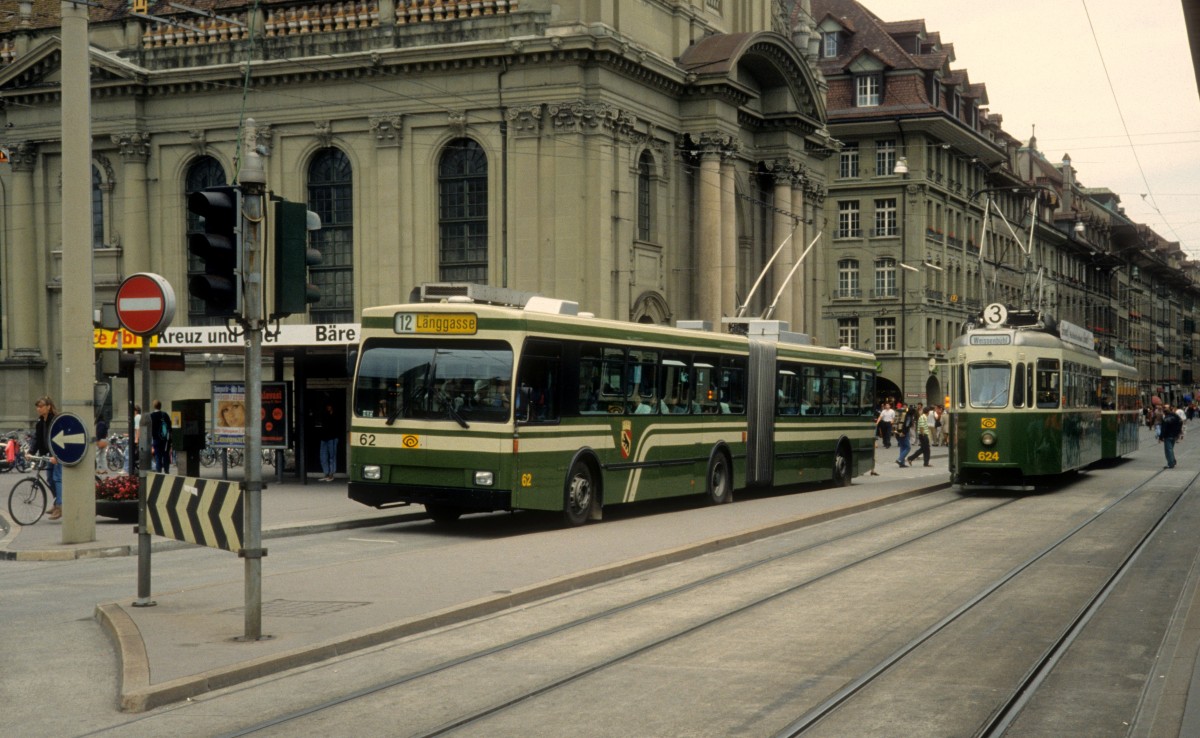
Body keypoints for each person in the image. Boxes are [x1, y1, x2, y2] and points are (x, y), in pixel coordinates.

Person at [32, 396, 63, 520]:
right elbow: (36, 438)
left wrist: (56, 454)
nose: (38, 409)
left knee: (57, 478)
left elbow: (59, 438)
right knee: (50, 478)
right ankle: (57, 502)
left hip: (58, 453)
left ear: (49, 407)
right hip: (49, 454)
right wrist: (30, 452)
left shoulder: (55, 420)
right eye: (37, 407)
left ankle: (60, 506)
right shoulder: (40, 422)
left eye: (41, 406)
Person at [315, 402, 341, 482]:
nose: (328, 407)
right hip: (325, 437)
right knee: (324, 456)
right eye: (327, 406)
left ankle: (331, 474)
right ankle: (326, 473)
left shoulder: (335, 415)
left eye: (329, 406)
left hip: (331, 437)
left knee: (331, 457)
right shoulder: (324, 414)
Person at [149, 400, 172, 474]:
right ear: (160, 406)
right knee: (165, 455)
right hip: (165, 439)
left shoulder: (151, 416)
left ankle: (158, 471)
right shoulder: (165, 414)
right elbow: (169, 427)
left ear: (154, 406)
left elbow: (150, 429)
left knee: (157, 456)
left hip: (156, 439)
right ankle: (166, 470)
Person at [908, 402, 931, 467]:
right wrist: (923, 435)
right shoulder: (922, 417)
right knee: (926, 449)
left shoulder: (924, 417)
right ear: (928, 412)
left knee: (924, 449)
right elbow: (921, 427)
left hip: (924, 434)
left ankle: (912, 458)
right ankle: (911, 458)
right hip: (923, 435)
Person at [1160, 403, 1183, 469]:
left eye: (1165, 408)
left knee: (1168, 450)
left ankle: (1170, 464)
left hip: (1168, 436)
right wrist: (1178, 432)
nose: (1165, 409)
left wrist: (1161, 437)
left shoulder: (1166, 418)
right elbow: (1180, 422)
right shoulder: (1175, 416)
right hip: (1174, 435)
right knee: (1170, 449)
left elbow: (1164, 428)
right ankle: (1173, 461)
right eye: (1164, 407)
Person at [895, 402, 913, 467]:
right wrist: (904, 432)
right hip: (904, 432)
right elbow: (907, 425)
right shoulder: (908, 416)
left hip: (898, 431)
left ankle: (902, 463)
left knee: (902, 447)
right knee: (908, 447)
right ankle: (899, 459)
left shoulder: (901, 413)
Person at [126, 404, 141, 475]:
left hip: (136, 439)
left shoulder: (137, 417)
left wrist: (136, 439)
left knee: (127, 452)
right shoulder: (139, 417)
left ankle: (126, 469)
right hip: (137, 438)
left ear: (135, 411)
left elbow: (138, 429)